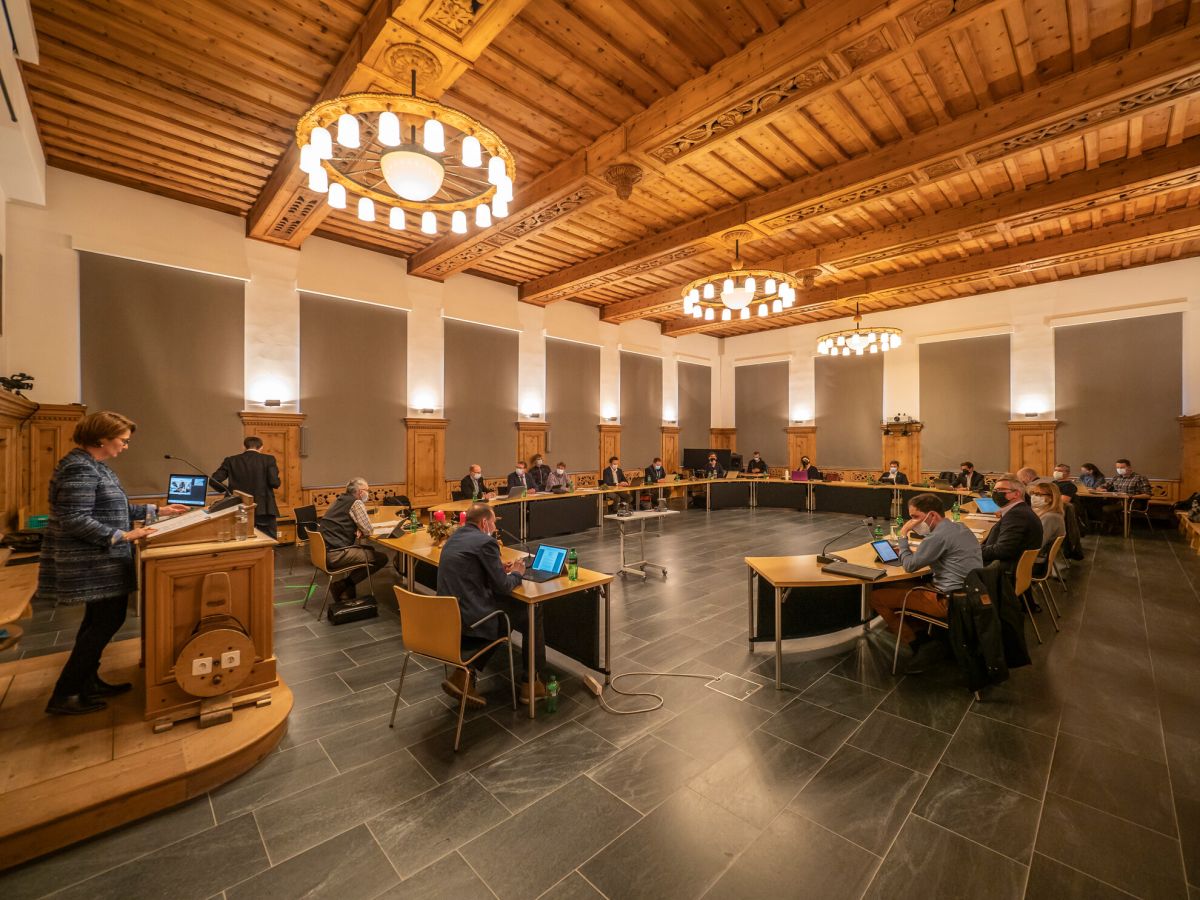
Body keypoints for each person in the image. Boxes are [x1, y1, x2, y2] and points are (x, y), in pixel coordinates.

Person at [38, 411, 191, 715]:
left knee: (97, 622)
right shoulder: (80, 468)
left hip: (101, 561)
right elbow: (74, 518)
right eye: (122, 440)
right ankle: (66, 692)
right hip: (92, 562)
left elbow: (115, 507)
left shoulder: (94, 466)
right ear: (101, 438)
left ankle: (86, 681)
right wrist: (123, 535)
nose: (125, 445)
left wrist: (159, 510)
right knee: (105, 622)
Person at [436, 502, 545, 705]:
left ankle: (464, 673)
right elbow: (503, 587)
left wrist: (496, 568)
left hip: (450, 617)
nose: (495, 528)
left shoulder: (453, 538)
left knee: (510, 611)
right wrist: (517, 573)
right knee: (532, 611)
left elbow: (470, 569)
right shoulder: (485, 542)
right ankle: (531, 683)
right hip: (472, 620)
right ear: (485, 523)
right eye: (494, 523)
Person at [869, 493, 983, 671]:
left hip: (949, 601)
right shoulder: (959, 527)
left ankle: (919, 645)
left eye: (915, 517)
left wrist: (903, 535)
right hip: (971, 593)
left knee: (876, 597)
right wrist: (915, 552)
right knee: (894, 587)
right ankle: (923, 633)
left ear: (932, 515)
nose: (912, 522)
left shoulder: (937, 537)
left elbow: (909, 566)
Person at [319, 477, 389, 602]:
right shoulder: (356, 503)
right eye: (368, 491)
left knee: (370, 550)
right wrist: (362, 528)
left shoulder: (340, 499)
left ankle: (347, 590)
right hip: (337, 554)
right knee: (381, 558)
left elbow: (345, 521)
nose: (368, 494)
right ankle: (342, 585)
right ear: (360, 492)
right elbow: (368, 530)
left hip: (324, 552)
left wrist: (358, 527)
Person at [212, 436, 281, 538]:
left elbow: (213, 481)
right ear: (261, 447)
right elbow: (274, 483)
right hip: (264, 508)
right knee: (268, 541)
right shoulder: (269, 459)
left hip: (237, 507)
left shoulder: (231, 460)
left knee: (239, 538)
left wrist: (228, 491)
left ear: (244, 447)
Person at [981, 475, 1043, 576]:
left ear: (1016, 494)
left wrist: (974, 549)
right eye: (994, 490)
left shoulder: (1017, 515)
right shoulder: (1020, 510)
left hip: (1003, 572)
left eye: (1001, 490)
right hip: (1010, 566)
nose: (995, 493)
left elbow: (1002, 550)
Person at [1029, 482, 1065, 577]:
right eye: (1033, 493)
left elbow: (1037, 543)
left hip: (1034, 563)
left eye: (1038, 494)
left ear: (1051, 498)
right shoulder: (1044, 513)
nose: (1034, 496)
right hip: (1036, 558)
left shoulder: (1050, 517)